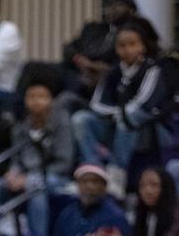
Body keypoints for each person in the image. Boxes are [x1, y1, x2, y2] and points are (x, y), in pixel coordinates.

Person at [72, 19, 173, 194]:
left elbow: (144, 104)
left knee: (129, 117)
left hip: (150, 132)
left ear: (143, 45)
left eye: (132, 44)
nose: (127, 50)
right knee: (81, 119)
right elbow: (96, 104)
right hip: (117, 126)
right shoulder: (114, 72)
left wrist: (119, 114)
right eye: (122, 45)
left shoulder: (153, 69)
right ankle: (94, 169)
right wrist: (117, 113)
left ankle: (116, 174)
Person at [0, 81, 75, 236]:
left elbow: (64, 163)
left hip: (55, 177)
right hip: (26, 176)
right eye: (32, 97)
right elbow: (16, 160)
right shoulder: (20, 128)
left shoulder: (61, 123)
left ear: (51, 100)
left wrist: (29, 177)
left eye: (41, 96)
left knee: (35, 186)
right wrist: (12, 174)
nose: (36, 101)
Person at [87, 168, 179, 236]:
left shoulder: (175, 213)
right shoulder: (143, 213)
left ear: (166, 188)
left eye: (154, 185)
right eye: (142, 186)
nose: (148, 190)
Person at [62, 0, 139, 99]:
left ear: (131, 10)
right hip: (74, 67)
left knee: (70, 95)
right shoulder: (93, 28)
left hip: (98, 75)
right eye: (110, 5)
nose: (112, 9)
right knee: (33, 69)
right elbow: (68, 48)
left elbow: (121, 64)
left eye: (119, 5)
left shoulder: (131, 35)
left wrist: (91, 65)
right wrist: (79, 60)